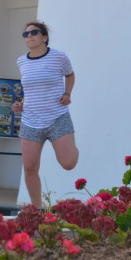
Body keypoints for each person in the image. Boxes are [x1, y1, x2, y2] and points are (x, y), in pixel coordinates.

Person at [11, 21, 78, 207]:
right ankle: (37, 209)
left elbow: (70, 75)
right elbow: (32, 90)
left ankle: (72, 147)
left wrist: (67, 94)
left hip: (57, 117)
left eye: (34, 32)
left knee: (68, 163)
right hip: (30, 121)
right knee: (29, 167)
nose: (29, 36)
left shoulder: (59, 57)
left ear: (44, 37)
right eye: (26, 34)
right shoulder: (21, 61)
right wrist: (21, 104)